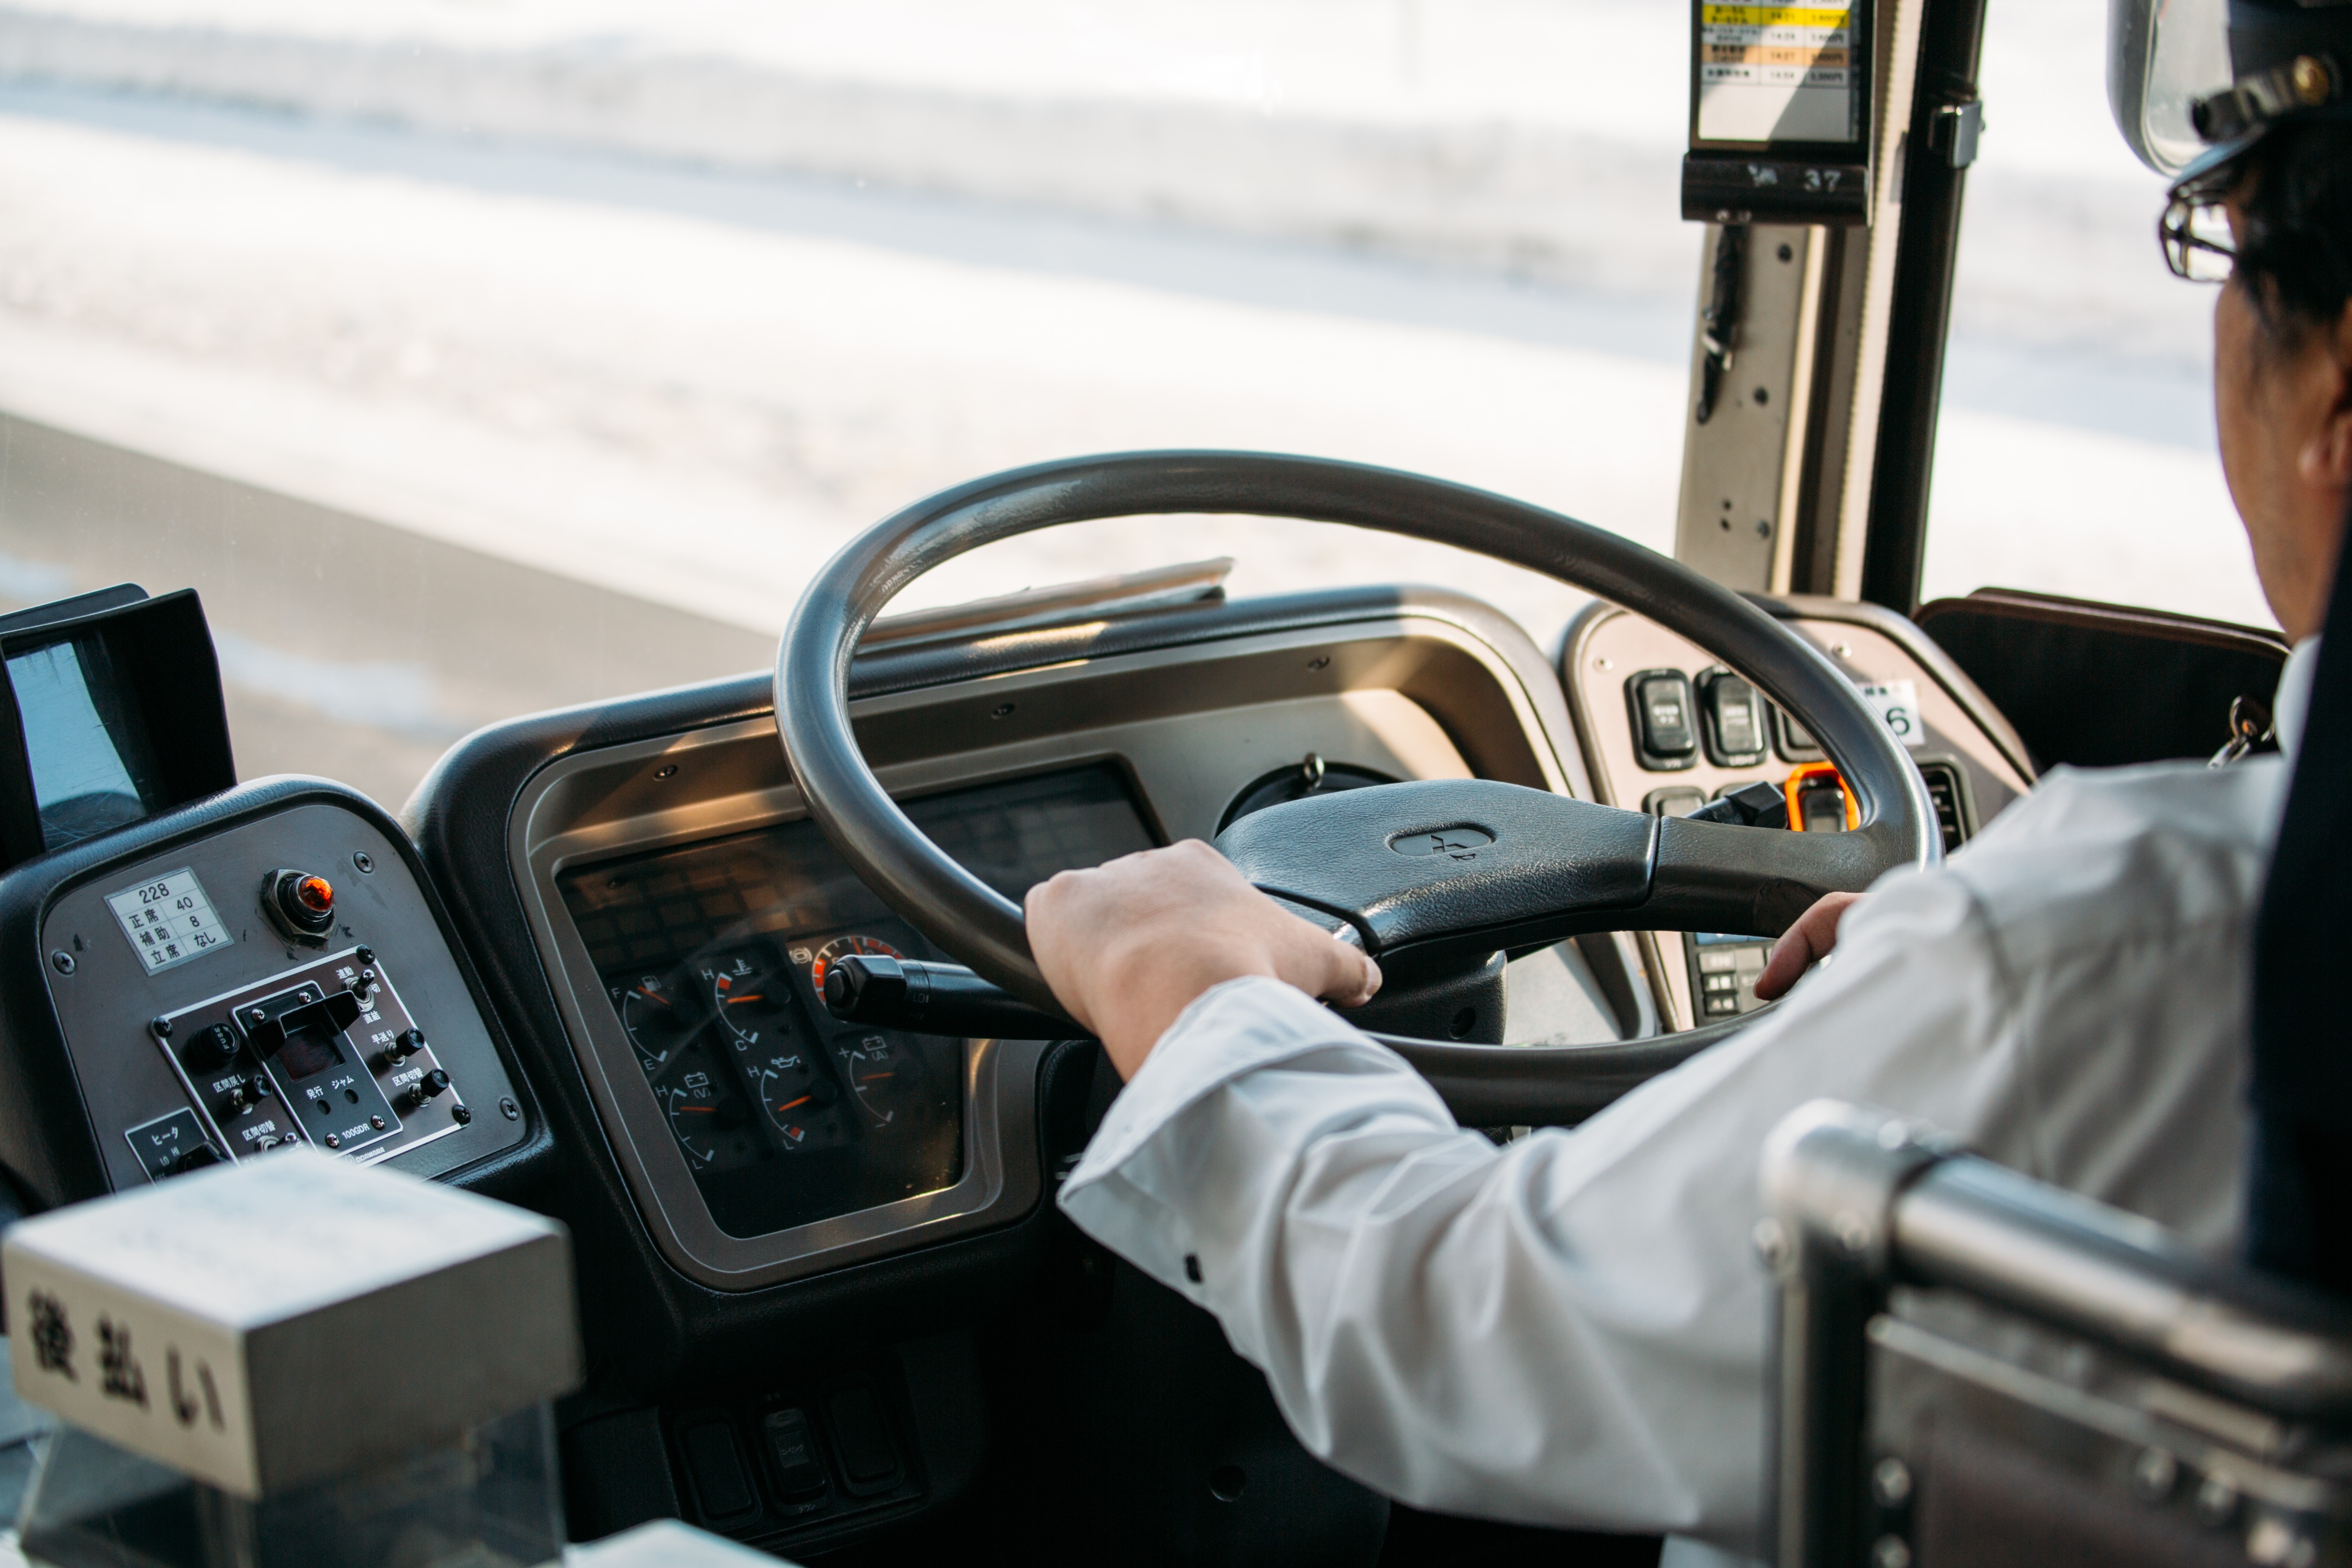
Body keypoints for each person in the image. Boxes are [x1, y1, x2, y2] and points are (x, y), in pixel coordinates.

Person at [1024, 6, 2352, 1561]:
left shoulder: (2140, 940)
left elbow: (1465, 1332)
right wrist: (1947, 991)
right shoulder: (2125, 944)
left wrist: (1186, 996)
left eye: (2223, 235)